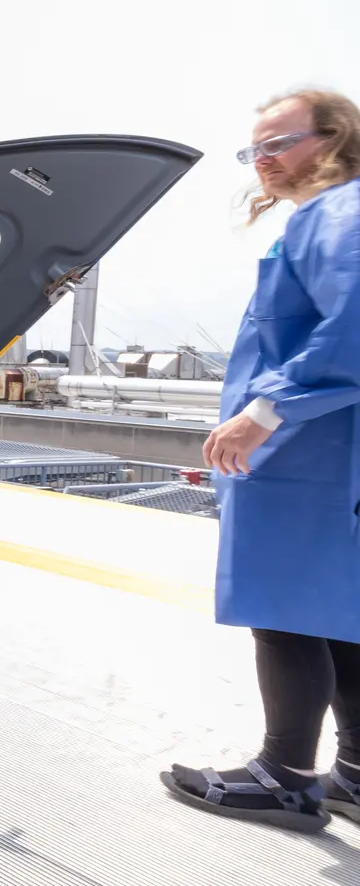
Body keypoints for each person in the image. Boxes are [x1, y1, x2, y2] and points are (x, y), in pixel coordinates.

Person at [165, 89, 360, 832]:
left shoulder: (336, 213)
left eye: (279, 143)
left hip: (305, 453)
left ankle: (284, 775)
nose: (265, 162)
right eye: (255, 151)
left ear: (333, 136)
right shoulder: (336, 216)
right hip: (329, 451)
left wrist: (262, 412)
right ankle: (356, 775)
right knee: (339, 611)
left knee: (284, 612)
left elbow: (354, 326)